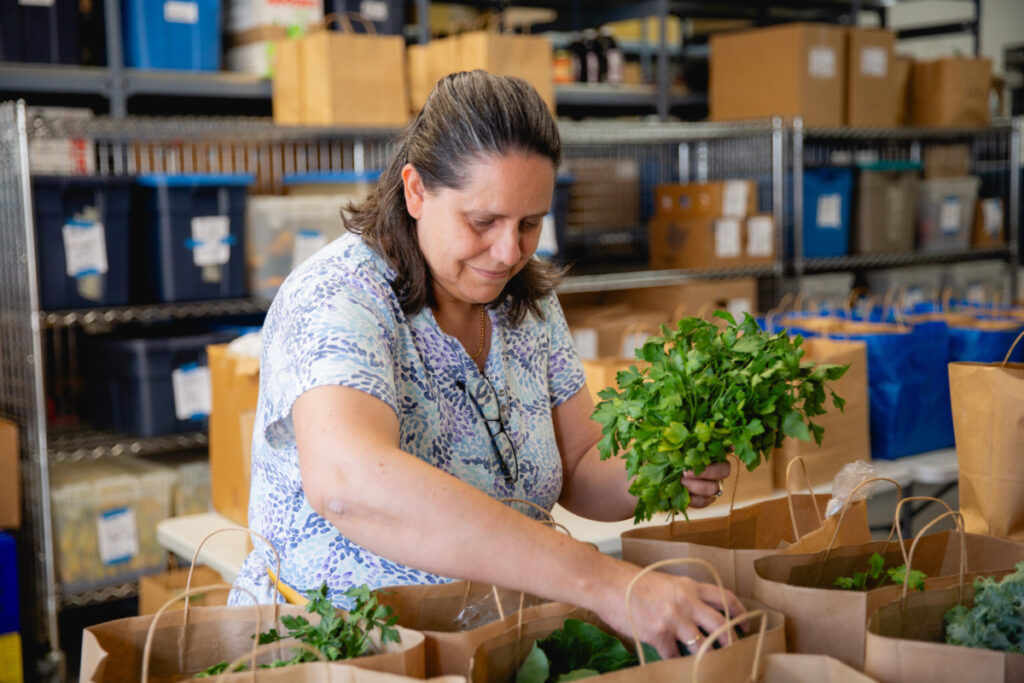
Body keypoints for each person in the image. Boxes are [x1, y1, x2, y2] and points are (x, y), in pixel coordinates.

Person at [230, 70, 741, 659]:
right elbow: (349, 483)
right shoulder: (338, 296)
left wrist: (660, 467)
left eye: (530, 224)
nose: (509, 252)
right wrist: (606, 582)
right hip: (348, 655)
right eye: (483, 222)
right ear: (416, 191)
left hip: (503, 640)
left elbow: (576, 462)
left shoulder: (528, 300)